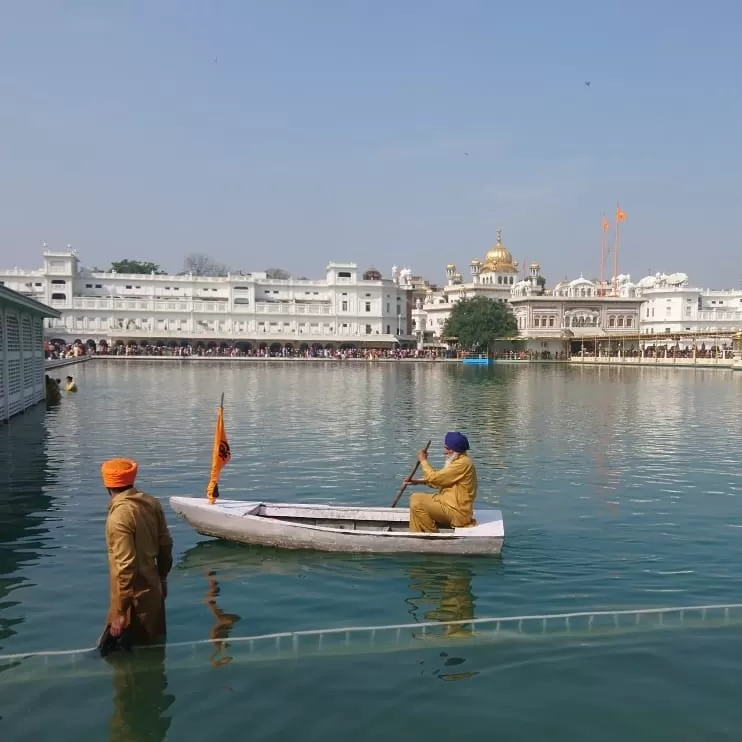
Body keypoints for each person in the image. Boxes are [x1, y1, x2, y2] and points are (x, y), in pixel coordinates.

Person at [100, 458, 173, 650]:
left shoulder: (118, 516)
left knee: (124, 668)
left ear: (107, 484)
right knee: (153, 655)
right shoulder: (151, 503)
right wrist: (163, 579)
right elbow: (165, 545)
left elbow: (126, 566)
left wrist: (119, 612)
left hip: (132, 601)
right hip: (153, 594)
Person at [405, 432, 478, 533]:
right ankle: (416, 534)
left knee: (417, 502)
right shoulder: (459, 461)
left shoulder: (463, 463)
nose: (445, 452)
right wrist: (418, 482)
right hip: (448, 504)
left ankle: (432, 536)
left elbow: (435, 478)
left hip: (457, 512)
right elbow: (441, 481)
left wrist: (423, 460)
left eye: (448, 449)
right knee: (415, 500)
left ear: (456, 450)